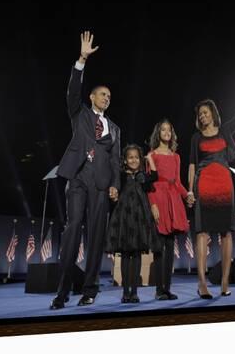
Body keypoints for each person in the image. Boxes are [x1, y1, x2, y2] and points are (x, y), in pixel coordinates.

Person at [50, 31, 121, 310]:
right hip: (78, 179)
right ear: (92, 96)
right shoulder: (79, 114)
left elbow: (115, 160)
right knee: (71, 231)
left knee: (96, 238)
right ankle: (62, 290)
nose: (107, 98)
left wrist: (115, 183)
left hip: (101, 185)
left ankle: (90, 289)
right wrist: (82, 59)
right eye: (103, 94)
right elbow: (71, 92)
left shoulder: (115, 129)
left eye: (110, 96)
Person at [188, 61, 235, 298]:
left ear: (213, 113)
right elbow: (191, 164)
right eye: (200, 113)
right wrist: (190, 190)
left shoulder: (225, 130)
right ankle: (202, 284)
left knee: (226, 233)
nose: (203, 115)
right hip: (204, 185)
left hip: (224, 186)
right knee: (201, 233)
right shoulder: (195, 138)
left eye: (206, 112)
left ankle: (225, 283)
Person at [105, 144, 160, 303]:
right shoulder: (121, 176)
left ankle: (134, 292)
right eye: (130, 157)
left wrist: (150, 160)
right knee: (124, 255)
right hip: (124, 218)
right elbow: (114, 190)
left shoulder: (143, 176)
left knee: (136, 255)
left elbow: (155, 176)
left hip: (139, 219)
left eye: (136, 157)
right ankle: (125, 292)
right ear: (125, 160)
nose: (134, 160)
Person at [147, 119, 190, 300]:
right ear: (158, 133)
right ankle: (158, 290)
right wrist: (153, 205)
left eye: (169, 130)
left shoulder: (176, 156)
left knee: (170, 247)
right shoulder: (152, 155)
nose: (166, 133)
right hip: (158, 198)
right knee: (159, 247)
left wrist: (187, 195)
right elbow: (149, 183)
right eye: (163, 130)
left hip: (173, 200)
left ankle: (167, 289)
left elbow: (178, 183)